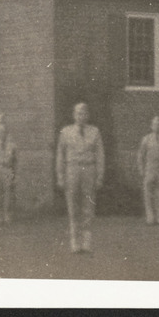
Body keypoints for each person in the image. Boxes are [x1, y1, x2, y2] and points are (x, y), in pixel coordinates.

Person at [56, 102, 105, 253]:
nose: (81, 116)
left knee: (88, 207)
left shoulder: (94, 132)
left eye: (83, 113)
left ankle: (86, 242)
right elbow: (60, 156)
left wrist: (99, 176)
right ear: (73, 115)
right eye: (78, 113)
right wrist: (60, 176)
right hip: (72, 169)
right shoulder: (65, 132)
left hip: (89, 169)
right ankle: (74, 243)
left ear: (88, 115)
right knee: (72, 207)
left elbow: (100, 155)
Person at [137, 116, 159, 225]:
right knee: (148, 193)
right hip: (149, 167)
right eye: (155, 124)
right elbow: (141, 155)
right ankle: (150, 216)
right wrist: (142, 169)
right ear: (151, 126)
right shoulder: (146, 139)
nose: (157, 126)